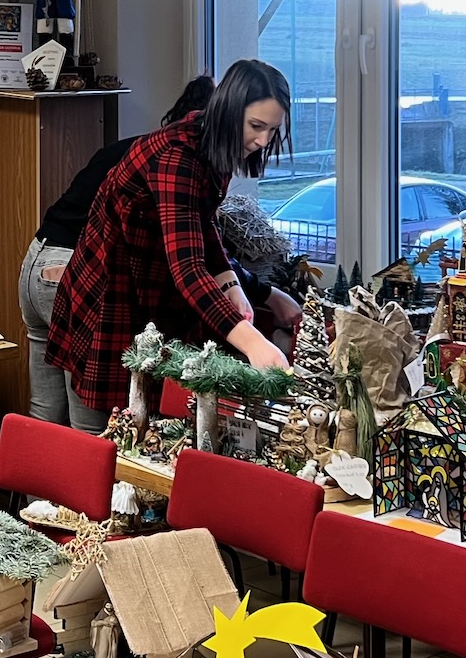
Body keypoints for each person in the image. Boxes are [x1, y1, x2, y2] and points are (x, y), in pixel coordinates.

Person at [48, 58, 295, 433]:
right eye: (256, 126)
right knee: (101, 437)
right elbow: (188, 270)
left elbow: (202, 220)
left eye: (272, 130)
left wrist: (229, 281)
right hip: (108, 298)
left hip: (143, 298)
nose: (262, 140)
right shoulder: (176, 158)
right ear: (229, 112)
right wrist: (254, 343)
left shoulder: (213, 147)